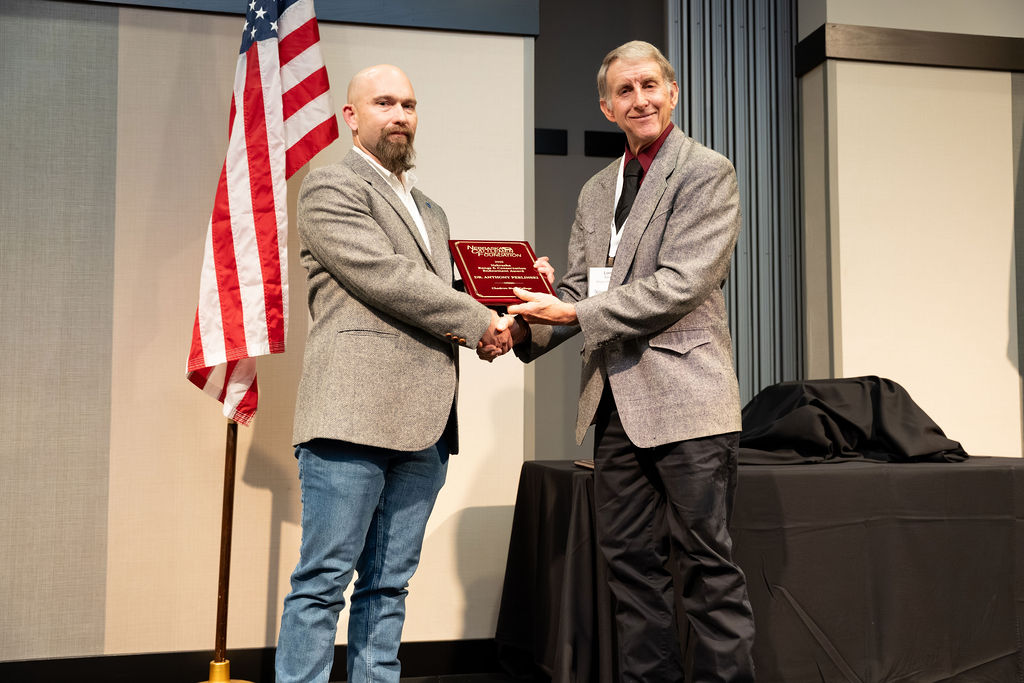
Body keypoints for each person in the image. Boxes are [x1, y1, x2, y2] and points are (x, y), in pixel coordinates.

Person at [501, 41, 756, 682]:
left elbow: (682, 283)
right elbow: (584, 294)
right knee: (631, 573)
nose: (639, 98)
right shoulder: (596, 188)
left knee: (707, 571)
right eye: (625, 91)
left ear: (672, 92)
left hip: (688, 401)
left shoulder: (705, 170)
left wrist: (574, 313)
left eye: (649, 85)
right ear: (607, 107)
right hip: (613, 408)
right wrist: (522, 321)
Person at [275, 64, 513, 683]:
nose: (400, 114)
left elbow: (435, 291)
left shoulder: (429, 208)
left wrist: (511, 294)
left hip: (426, 422)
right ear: (351, 116)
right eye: (384, 103)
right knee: (322, 582)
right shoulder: (331, 186)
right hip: (351, 414)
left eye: (408, 103)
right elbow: (386, 277)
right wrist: (477, 317)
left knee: (389, 586)